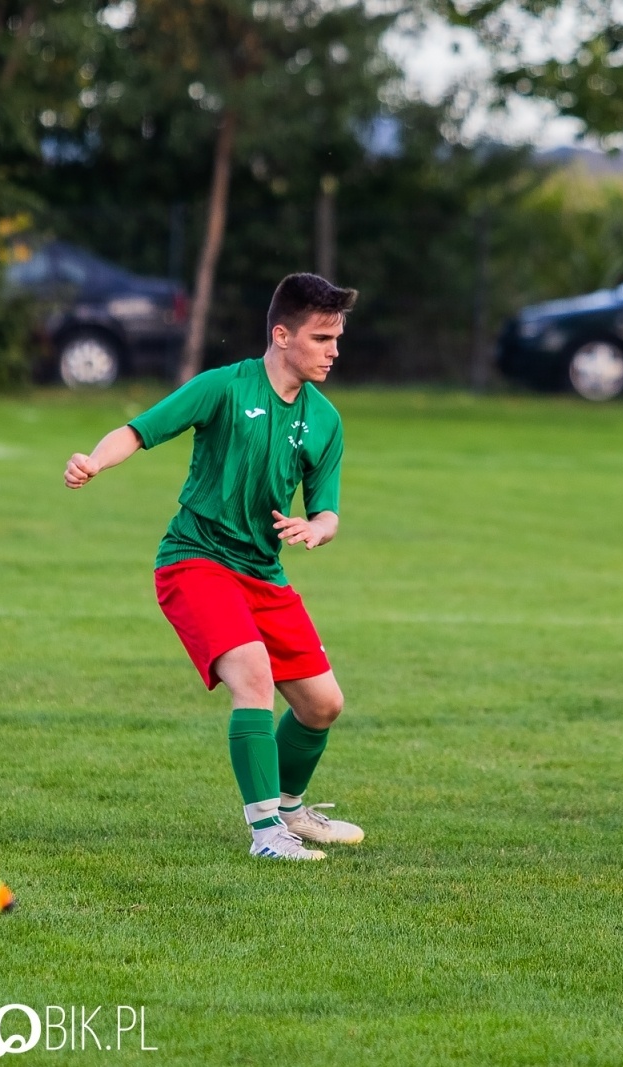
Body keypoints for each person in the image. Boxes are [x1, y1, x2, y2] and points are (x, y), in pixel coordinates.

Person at [64, 273, 365, 861]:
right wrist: (94, 463)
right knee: (252, 673)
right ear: (282, 334)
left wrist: (317, 528)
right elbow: (138, 431)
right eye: (323, 337)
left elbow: (327, 512)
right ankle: (266, 835)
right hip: (194, 561)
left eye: (338, 338)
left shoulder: (325, 420)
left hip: (262, 574)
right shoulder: (223, 388)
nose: (334, 350)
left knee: (322, 705)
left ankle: (289, 807)